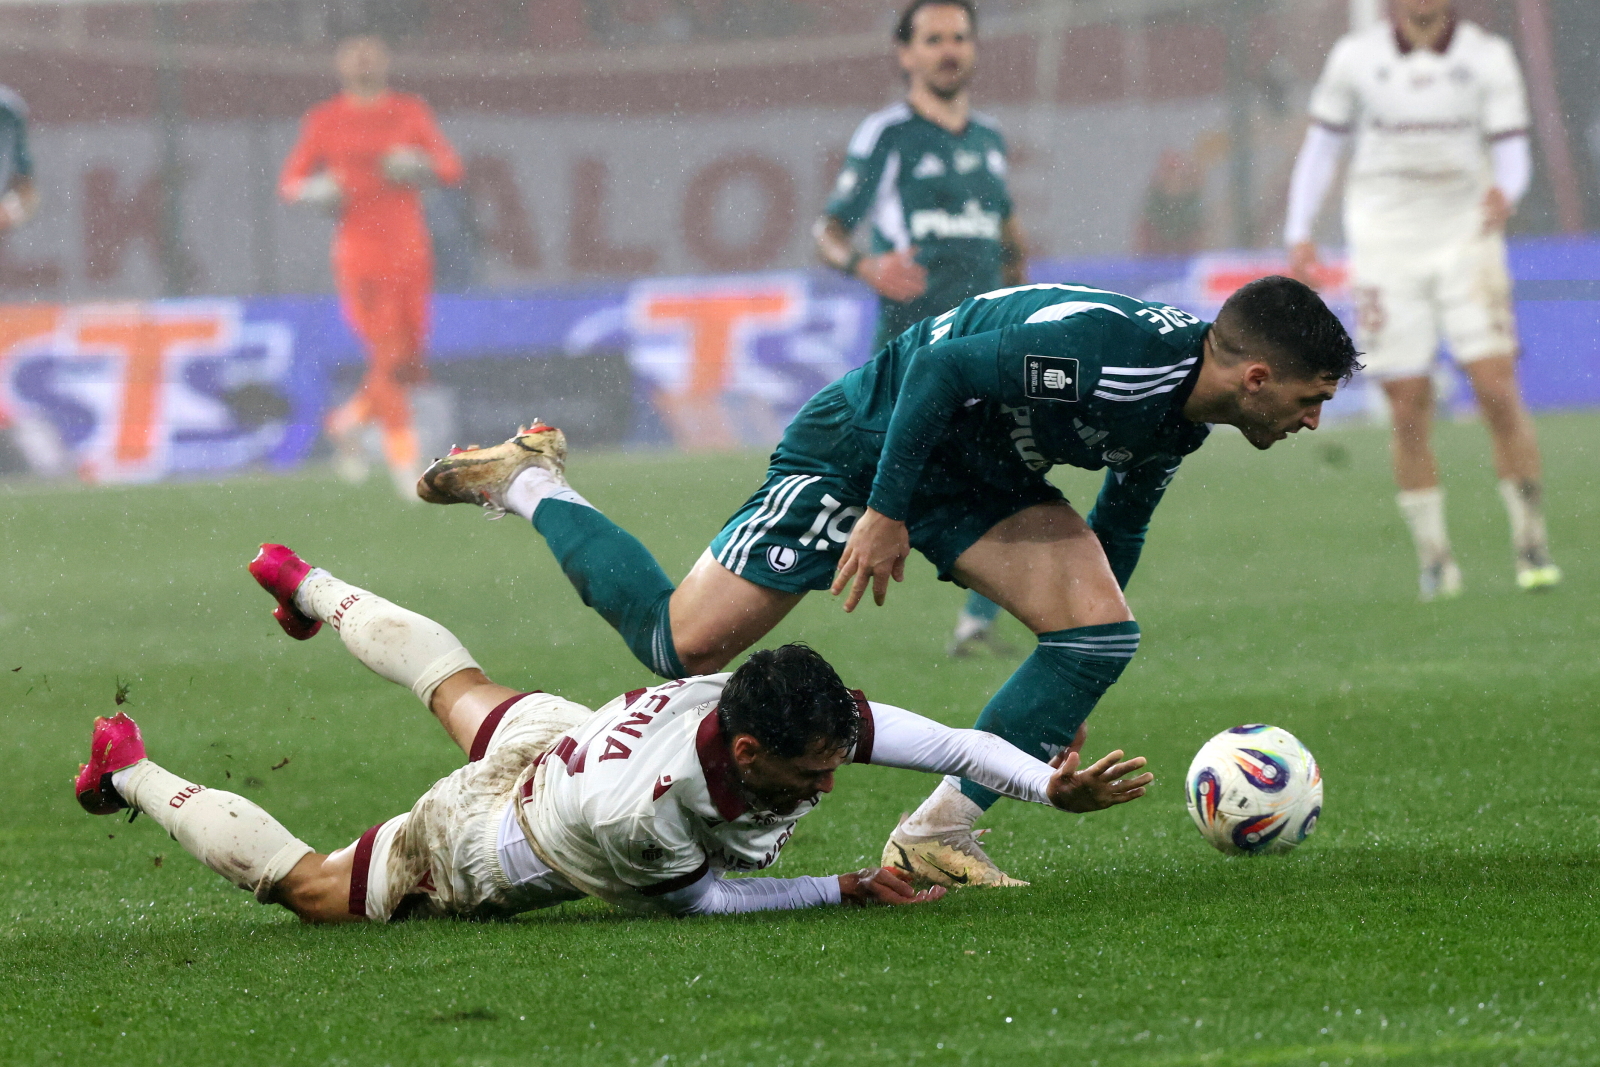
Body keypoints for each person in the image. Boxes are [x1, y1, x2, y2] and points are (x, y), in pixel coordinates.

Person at [417, 275, 1358, 887]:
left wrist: (1067, 673)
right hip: (871, 441)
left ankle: (937, 831)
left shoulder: (1184, 412)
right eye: (1313, 399)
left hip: (976, 472)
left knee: (1103, 633)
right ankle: (531, 478)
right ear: (1261, 376)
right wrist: (885, 509)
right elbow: (941, 366)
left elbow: (1121, 525)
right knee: (683, 643)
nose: (1314, 421)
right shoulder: (1110, 358)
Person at [71, 545, 1151, 922]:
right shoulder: (652, 818)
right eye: (809, 770)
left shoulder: (790, 706)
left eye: (836, 754)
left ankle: (304, 582)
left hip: (578, 732)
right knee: (310, 888)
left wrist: (1051, 791)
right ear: (742, 754)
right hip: (498, 833)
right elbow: (707, 900)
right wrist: (839, 887)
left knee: (460, 686)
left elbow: (961, 745)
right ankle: (128, 766)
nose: (830, 781)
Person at [1284, 0, 1558, 600]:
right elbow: (1323, 147)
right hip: (1385, 245)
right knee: (1406, 401)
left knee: (1495, 388)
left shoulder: (1487, 58)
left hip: (1466, 240)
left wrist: (1503, 192)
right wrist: (1298, 228)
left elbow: (1511, 149)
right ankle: (1435, 559)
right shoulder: (1356, 58)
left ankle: (1530, 542)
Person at [813, 0, 1029, 659]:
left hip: (984, 343)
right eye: (933, 39)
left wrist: (1016, 303)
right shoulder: (889, 134)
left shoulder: (988, 140)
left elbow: (1010, 237)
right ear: (905, 53)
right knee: (879, 483)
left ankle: (977, 622)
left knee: (1015, 474)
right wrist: (863, 264)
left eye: (960, 37)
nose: (949, 50)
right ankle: (783, 571)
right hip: (916, 348)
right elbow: (828, 229)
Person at [279, 36, 463, 500]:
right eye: (354, 55)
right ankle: (406, 464)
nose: (363, 62)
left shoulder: (408, 111)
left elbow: (449, 167)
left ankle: (347, 422)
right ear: (341, 65)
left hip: (410, 251)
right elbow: (291, 180)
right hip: (360, 254)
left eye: (371, 54)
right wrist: (314, 190)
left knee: (407, 360)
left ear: (384, 61)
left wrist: (418, 165)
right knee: (387, 356)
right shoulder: (325, 120)